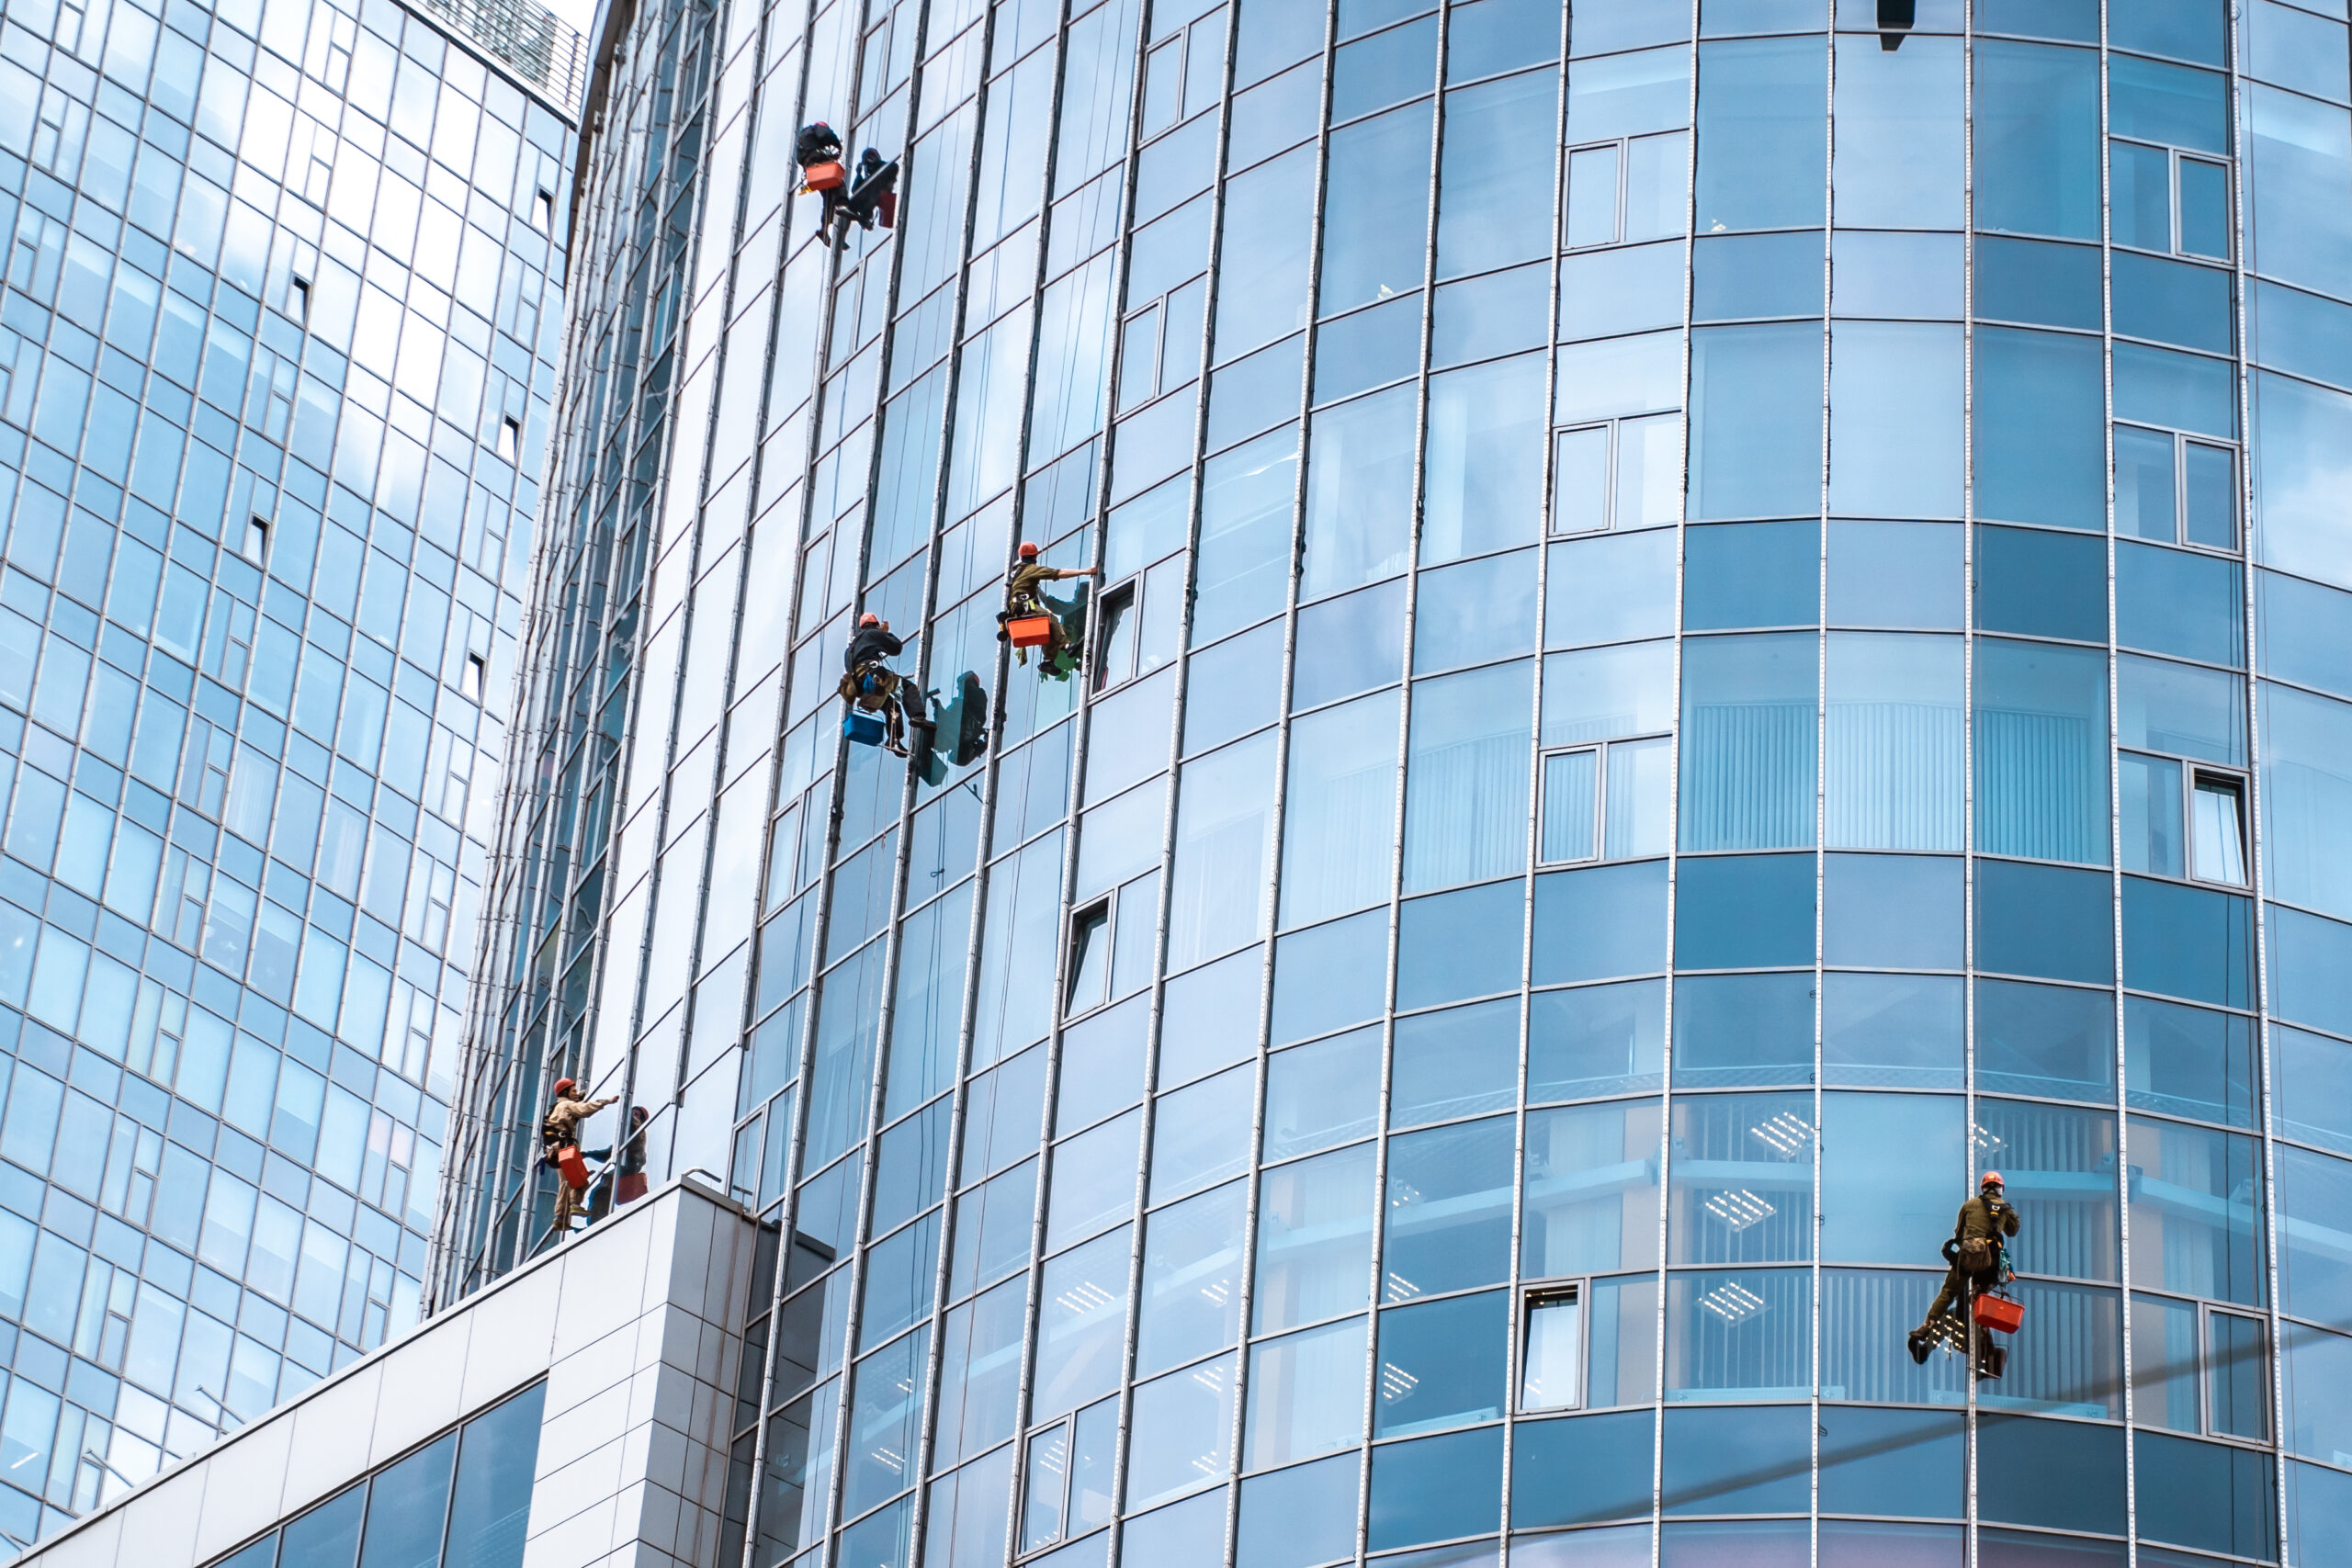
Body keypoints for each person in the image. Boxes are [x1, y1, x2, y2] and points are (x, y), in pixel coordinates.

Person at [1908, 1170, 2019, 1364]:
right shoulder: (2005, 1208)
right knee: (1979, 1298)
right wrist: (2007, 1213)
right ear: (2000, 1189)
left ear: (1983, 1188)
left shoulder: (1969, 1205)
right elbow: (2013, 1230)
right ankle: (1979, 1339)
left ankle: (1927, 1325)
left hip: (1968, 1256)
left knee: (1949, 1291)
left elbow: (1959, 1234)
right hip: (1991, 1263)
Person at [998, 542, 1102, 672]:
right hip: (1024, 606)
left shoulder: (1017, 572)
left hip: (1018, 607)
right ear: (1034, 557)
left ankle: (1048, 661)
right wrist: (1085, 572)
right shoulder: (1031, 569)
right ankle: (1067, 646)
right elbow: (1059, 573)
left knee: (1048, 627)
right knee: (1050, 618)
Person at [542, 1077, 617, 1235]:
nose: (576, 1093)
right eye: (573, 1091)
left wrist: (579, 1095)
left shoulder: (559, 1106)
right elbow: (583, 1110)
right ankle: (574, 1204)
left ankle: (561, 1218)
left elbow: (573, 1109)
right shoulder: (566, 1105)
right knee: (578, 1178)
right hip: (563, 1148)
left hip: (555, 1150)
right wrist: (606, 1101)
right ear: (566, 1092)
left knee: (565, 1182)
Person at [841, 612, 912, 755]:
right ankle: (894, 739)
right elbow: (895, 648)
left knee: (892, 707)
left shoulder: (850, 650)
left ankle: (893, 740)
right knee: (904, 693)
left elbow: (850, 669)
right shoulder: (872, 634)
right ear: (874, 625)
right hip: (872, 677)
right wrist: (884, 634)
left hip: (859, 687)